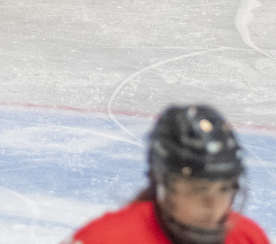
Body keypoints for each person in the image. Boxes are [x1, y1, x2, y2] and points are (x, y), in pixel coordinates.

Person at [64, 104, 269, 244]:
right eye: (199, 189)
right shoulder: (106, 239)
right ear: (163, 185)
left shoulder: (248, 237)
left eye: (224, 188)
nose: (214, 205)